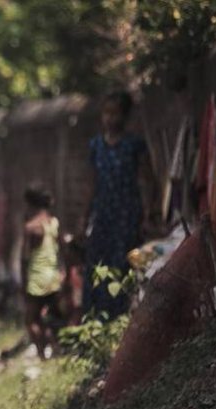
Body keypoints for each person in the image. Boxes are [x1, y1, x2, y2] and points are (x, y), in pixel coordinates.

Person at [83, 91, 155, 318]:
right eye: (106, 113)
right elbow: (91, 184)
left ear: (125, 116)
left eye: (115, 114)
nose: (110, 119)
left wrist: (148, 213)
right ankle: (98, 318)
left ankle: (123, 317)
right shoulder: (96, 146)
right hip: (103, 215)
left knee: (124, 264)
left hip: (127, 214)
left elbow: (147, 180)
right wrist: (84, 218)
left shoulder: (134, 144)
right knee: (98, 266)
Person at [21, 183, 63, 359]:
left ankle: (41, 354)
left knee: (31, 320)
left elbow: (25, 258)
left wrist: (23, 282)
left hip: (37, 278)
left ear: (30, 204)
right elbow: (60, 250)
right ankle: (56, 348)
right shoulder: (53, 223)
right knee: (54, 317)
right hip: (54, 277)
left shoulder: (31, 227)